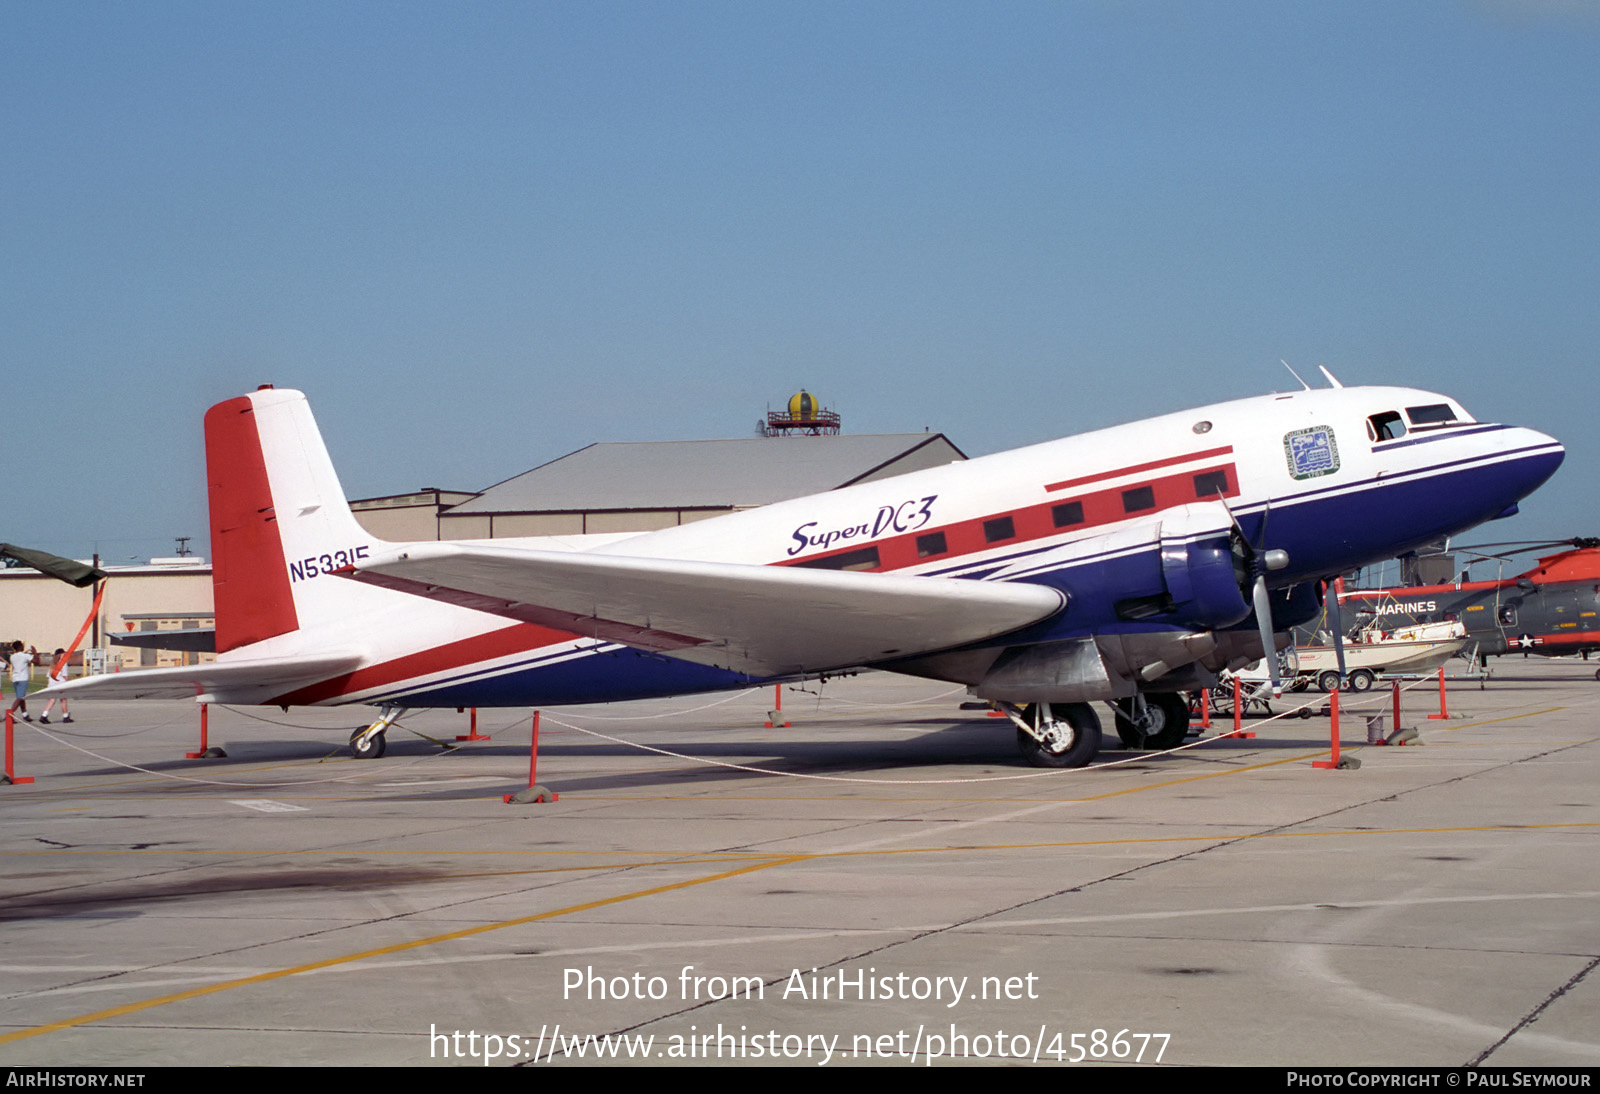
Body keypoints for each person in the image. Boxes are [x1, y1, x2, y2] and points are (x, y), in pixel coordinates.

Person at [40, 648, 72, 725]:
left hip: (53, 683)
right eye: (63, 654)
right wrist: (69, 683)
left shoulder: (53, 663)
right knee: (63, 700)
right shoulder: (63, 663)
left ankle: (44, 715)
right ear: (60, 655)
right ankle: (65, 716)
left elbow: (49, 675)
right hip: (61, 683)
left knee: (52, 700)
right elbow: (65, 675)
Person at [8, 641, 36, 722]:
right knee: (20, 698)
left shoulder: (12, 657)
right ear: (20, 647)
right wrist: (35, 653)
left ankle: (25, 714)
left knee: (21, 697)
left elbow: (20, 657)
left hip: (15, 678)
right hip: (22, 678)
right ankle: (10, 714)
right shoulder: (25, 656)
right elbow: (36, 661)